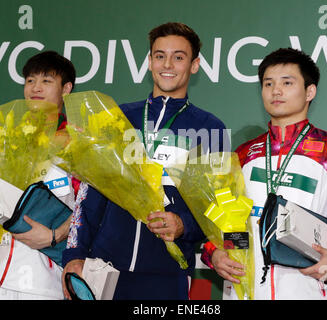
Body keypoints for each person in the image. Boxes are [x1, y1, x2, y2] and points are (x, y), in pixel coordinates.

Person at [61, 22, 229, 300]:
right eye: (160, 56)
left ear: (195, 65)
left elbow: (216, 206)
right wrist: (74, 255)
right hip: (104, 267)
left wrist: (184, 224)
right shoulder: (116, 119)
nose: (168, 64)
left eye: (179, 57)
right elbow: (89, 197)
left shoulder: (209, 128)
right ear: (150, 62)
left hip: (167, 274)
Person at [201, 48, 327, 300]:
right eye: (268, 83)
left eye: (287, 82)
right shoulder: (245, 153)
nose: (276, 90)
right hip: (246, 290)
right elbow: (222, 217)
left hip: (309, 288)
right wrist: (215, 253)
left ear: (310, 91)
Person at [0, 50, 80, 299]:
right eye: (30, 80)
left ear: (66, 89)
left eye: (46, 81)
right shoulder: (4, 136)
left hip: (44, 276)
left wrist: (55, 235)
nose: (36, 87)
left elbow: (92, 207)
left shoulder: (78, 141)